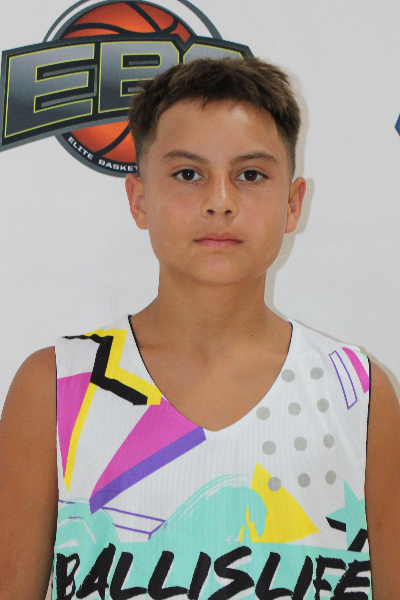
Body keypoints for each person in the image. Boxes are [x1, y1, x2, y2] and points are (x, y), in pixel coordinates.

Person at [0, 57, 399, 600]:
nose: (219, 201)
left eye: (250, 175)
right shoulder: (55, 387)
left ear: (293, 203)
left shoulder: (359, 395)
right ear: (139, 199)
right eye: (188, 174)